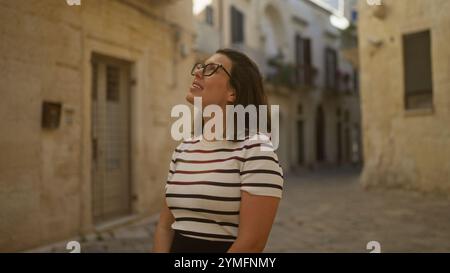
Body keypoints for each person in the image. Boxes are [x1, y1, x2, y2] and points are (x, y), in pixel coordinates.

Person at [152, 48, 284, 253]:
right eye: (200, 67)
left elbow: (252, 244)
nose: (198, 72)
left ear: (233, 92)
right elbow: (164, 226)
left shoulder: (256, 151)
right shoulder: (184, 149)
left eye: (211, 69)